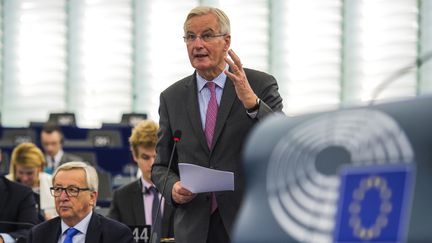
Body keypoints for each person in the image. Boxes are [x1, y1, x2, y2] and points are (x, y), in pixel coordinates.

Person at [151, 6, 283, 243]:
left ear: (226, 41)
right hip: (194, 228)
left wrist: (253, 104)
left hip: (246, 223)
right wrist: (172, 188)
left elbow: (282, 141)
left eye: (207, 35)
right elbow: (160, 166)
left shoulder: (259, 84)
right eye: (190, 37)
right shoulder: (172, 98)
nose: (197, 44)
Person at [27, 162, 133, 243]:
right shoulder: (38, 235)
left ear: (92, 197)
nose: (63, 197)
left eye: (72, 190)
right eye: (58, 189)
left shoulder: (117, 235)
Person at [107, 120, 175, 239]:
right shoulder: (121, 196)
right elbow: (110, 237)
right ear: (134, 156)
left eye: (156, 156)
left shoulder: (178, 191)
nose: (152, 163)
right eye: (145, 157)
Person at [6, 142, 56, 221]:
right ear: (15, 168)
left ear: (40, 168)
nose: (25, 178)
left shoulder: (53, 183)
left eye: (30, 173)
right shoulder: (5, 185)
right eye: (20, 172)